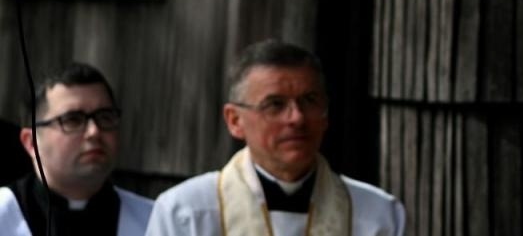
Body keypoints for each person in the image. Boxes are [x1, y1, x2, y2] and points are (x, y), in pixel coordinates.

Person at [146, 41, 403, 236]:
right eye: (275, 105)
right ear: (235, 120)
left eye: (309, 101)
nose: (297, 118)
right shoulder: (185, 212)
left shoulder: (378, 215)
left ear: (325, 115)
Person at [0, 62, 153, 235]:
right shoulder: (3, 216)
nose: (94, 132)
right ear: (32, 143)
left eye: (105, 117)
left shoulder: (155, 221)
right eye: (73, 120)